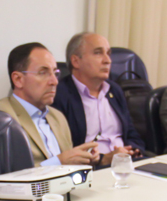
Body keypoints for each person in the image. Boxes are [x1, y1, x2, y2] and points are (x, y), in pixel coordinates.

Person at [0, 42, 99, 166]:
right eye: (43, 73)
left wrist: (83, 159)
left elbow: (68, 169)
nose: (54, 81)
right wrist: (59, 162)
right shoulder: (0, 119)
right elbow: (7, 176)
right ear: (18, 79)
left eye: (55, 73)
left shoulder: (58, 117)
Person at [52, 32, 145, 166]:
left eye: (108, 53)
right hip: (91, 170)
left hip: (126, 164)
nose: (108, 60)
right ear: (76, 61)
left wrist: (133, 151)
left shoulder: (114, 90)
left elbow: (131, 133)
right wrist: (103, 159)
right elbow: (66, 149)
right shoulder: (60, 95)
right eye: (98, 53)